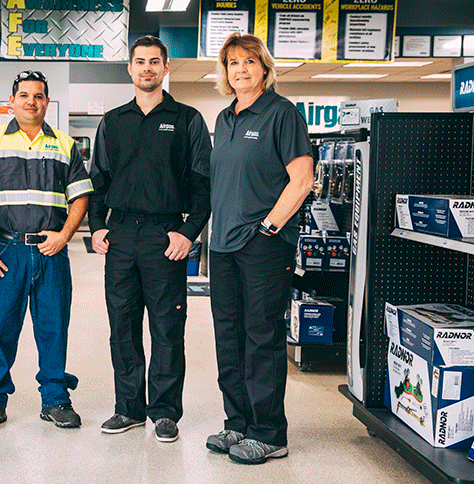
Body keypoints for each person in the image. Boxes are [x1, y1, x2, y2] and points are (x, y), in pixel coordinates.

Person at [88, 35, 212, 443]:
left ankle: (164, 412)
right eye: (139, 62)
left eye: (154, 62)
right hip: (121, 234)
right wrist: (97, 225)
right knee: (121, 325)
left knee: (166, 325)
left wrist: (188, 231)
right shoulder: (113, 120)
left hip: (164, 235)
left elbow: (201, 184)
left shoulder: (187, 119)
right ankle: (128, 409)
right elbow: (98, 180)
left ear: (166, 67)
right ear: (129, 68)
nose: (147, 68)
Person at [0, 70, 93, 431]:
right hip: (6, 249)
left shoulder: (65, 145)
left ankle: (55, 399)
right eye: (24, 95)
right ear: (12, 101)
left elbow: (80, 195)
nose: (31, 102)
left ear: (47, 102)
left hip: (51, 250)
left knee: (53, 327)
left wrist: (65, 235)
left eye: (38, 96)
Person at [206, 32, 314, 465]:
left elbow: (302, 179)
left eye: (249, 61)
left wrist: (269, 227)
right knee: (227, 337)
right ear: (225, 72)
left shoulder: (281, 113)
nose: (241, 70)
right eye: (233, 63)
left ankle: (269, 432)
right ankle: (237, 423)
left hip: (263, 245)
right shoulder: (224, 118)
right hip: (223, 245)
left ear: (264, 68)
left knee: (262, 336)